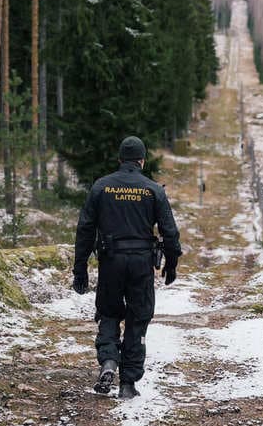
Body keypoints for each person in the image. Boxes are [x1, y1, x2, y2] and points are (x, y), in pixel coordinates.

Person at [72, 136, 181, 398]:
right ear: (142, 160)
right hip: (141, 263)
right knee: (137, 318)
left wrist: (80, 268)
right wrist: (171, 264)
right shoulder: (153, 190)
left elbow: (85, 229)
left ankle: (109, 360)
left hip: (111, 261)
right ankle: (128, 384)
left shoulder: (101, 187)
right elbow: (170, 232)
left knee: (109, 313)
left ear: (120, 159)